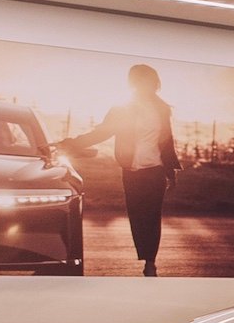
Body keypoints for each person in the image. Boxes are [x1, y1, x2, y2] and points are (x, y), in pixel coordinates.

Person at [59, 65, 179, 277]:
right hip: (132, 170)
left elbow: (167, 141)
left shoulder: (161, 109)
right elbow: (102, 132)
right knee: (137, 215)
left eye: (150, 81)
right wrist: (71, 144)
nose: (146, 85)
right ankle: (146, 255)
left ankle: (150, 263)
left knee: (152, 216)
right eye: (141, 81)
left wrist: (171, 172)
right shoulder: (122, 109)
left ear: (155, 83)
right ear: (133, 83)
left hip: (156, 170)